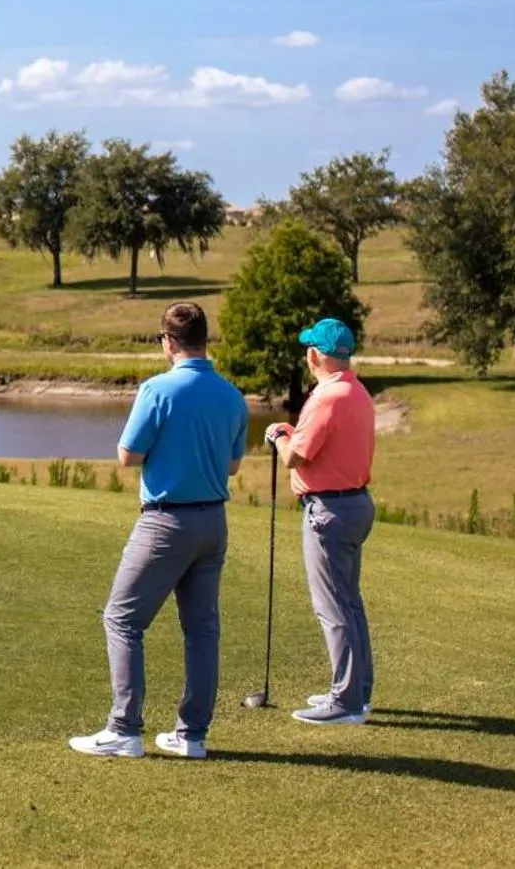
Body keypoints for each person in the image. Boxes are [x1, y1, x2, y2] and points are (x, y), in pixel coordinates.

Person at [70, 301, 248, 760]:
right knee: (202, 629)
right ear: (206, 339)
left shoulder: (157, 390)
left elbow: (128, 455)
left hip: (167, 521)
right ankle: (192, 736)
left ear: (167, 342)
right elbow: (230, 466)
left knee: (122, 618)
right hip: (213, 522)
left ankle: (125, 729)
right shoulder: (231, 395)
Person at [264, 317, 376, 725]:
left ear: (314, 355)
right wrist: (292, 432)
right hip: (355, 504)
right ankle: (358, 691)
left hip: (330, 510)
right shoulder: (357, 391)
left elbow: (295, 457)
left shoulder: (327, 396)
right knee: (350, 602)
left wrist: (278, 435)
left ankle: (345, 701)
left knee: (332, 607)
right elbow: (323, 444)